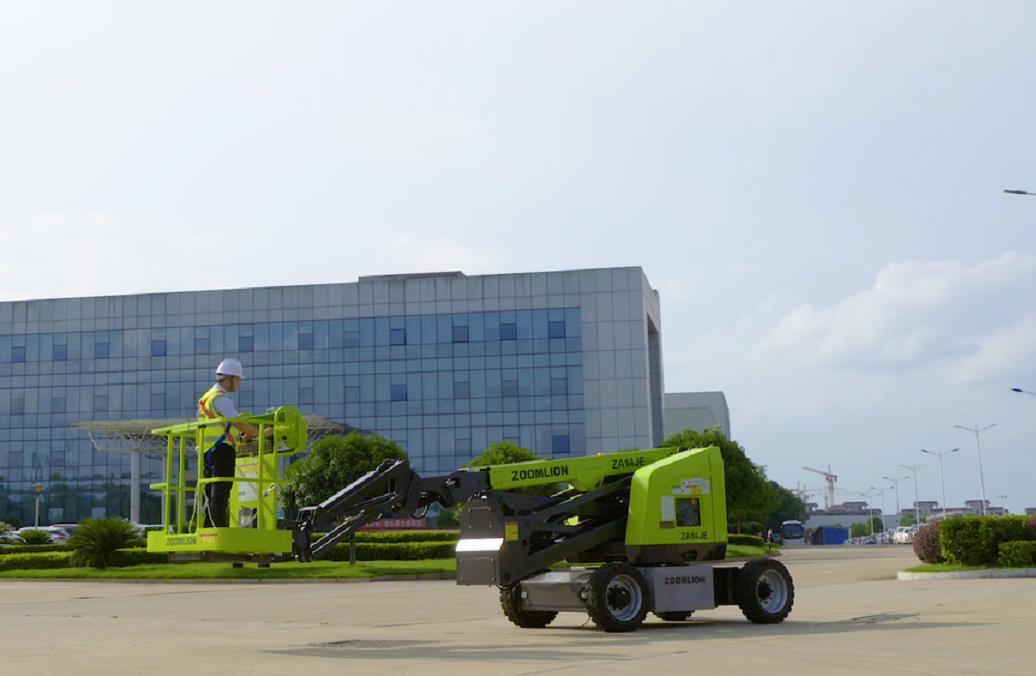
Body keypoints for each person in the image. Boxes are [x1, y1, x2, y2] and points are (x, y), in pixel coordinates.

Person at [197, 358, 271, 528]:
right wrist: (262, 433)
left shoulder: (206, 398)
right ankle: (219, 528)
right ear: (229, 378)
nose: (238, 383)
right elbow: (238, 423)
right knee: (221, 490)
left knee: (210, 490)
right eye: (237, 379)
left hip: (208, 451)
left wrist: (242, 439)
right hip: (221, 451)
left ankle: (209, 527)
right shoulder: (221, 398)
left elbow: (223, 428)